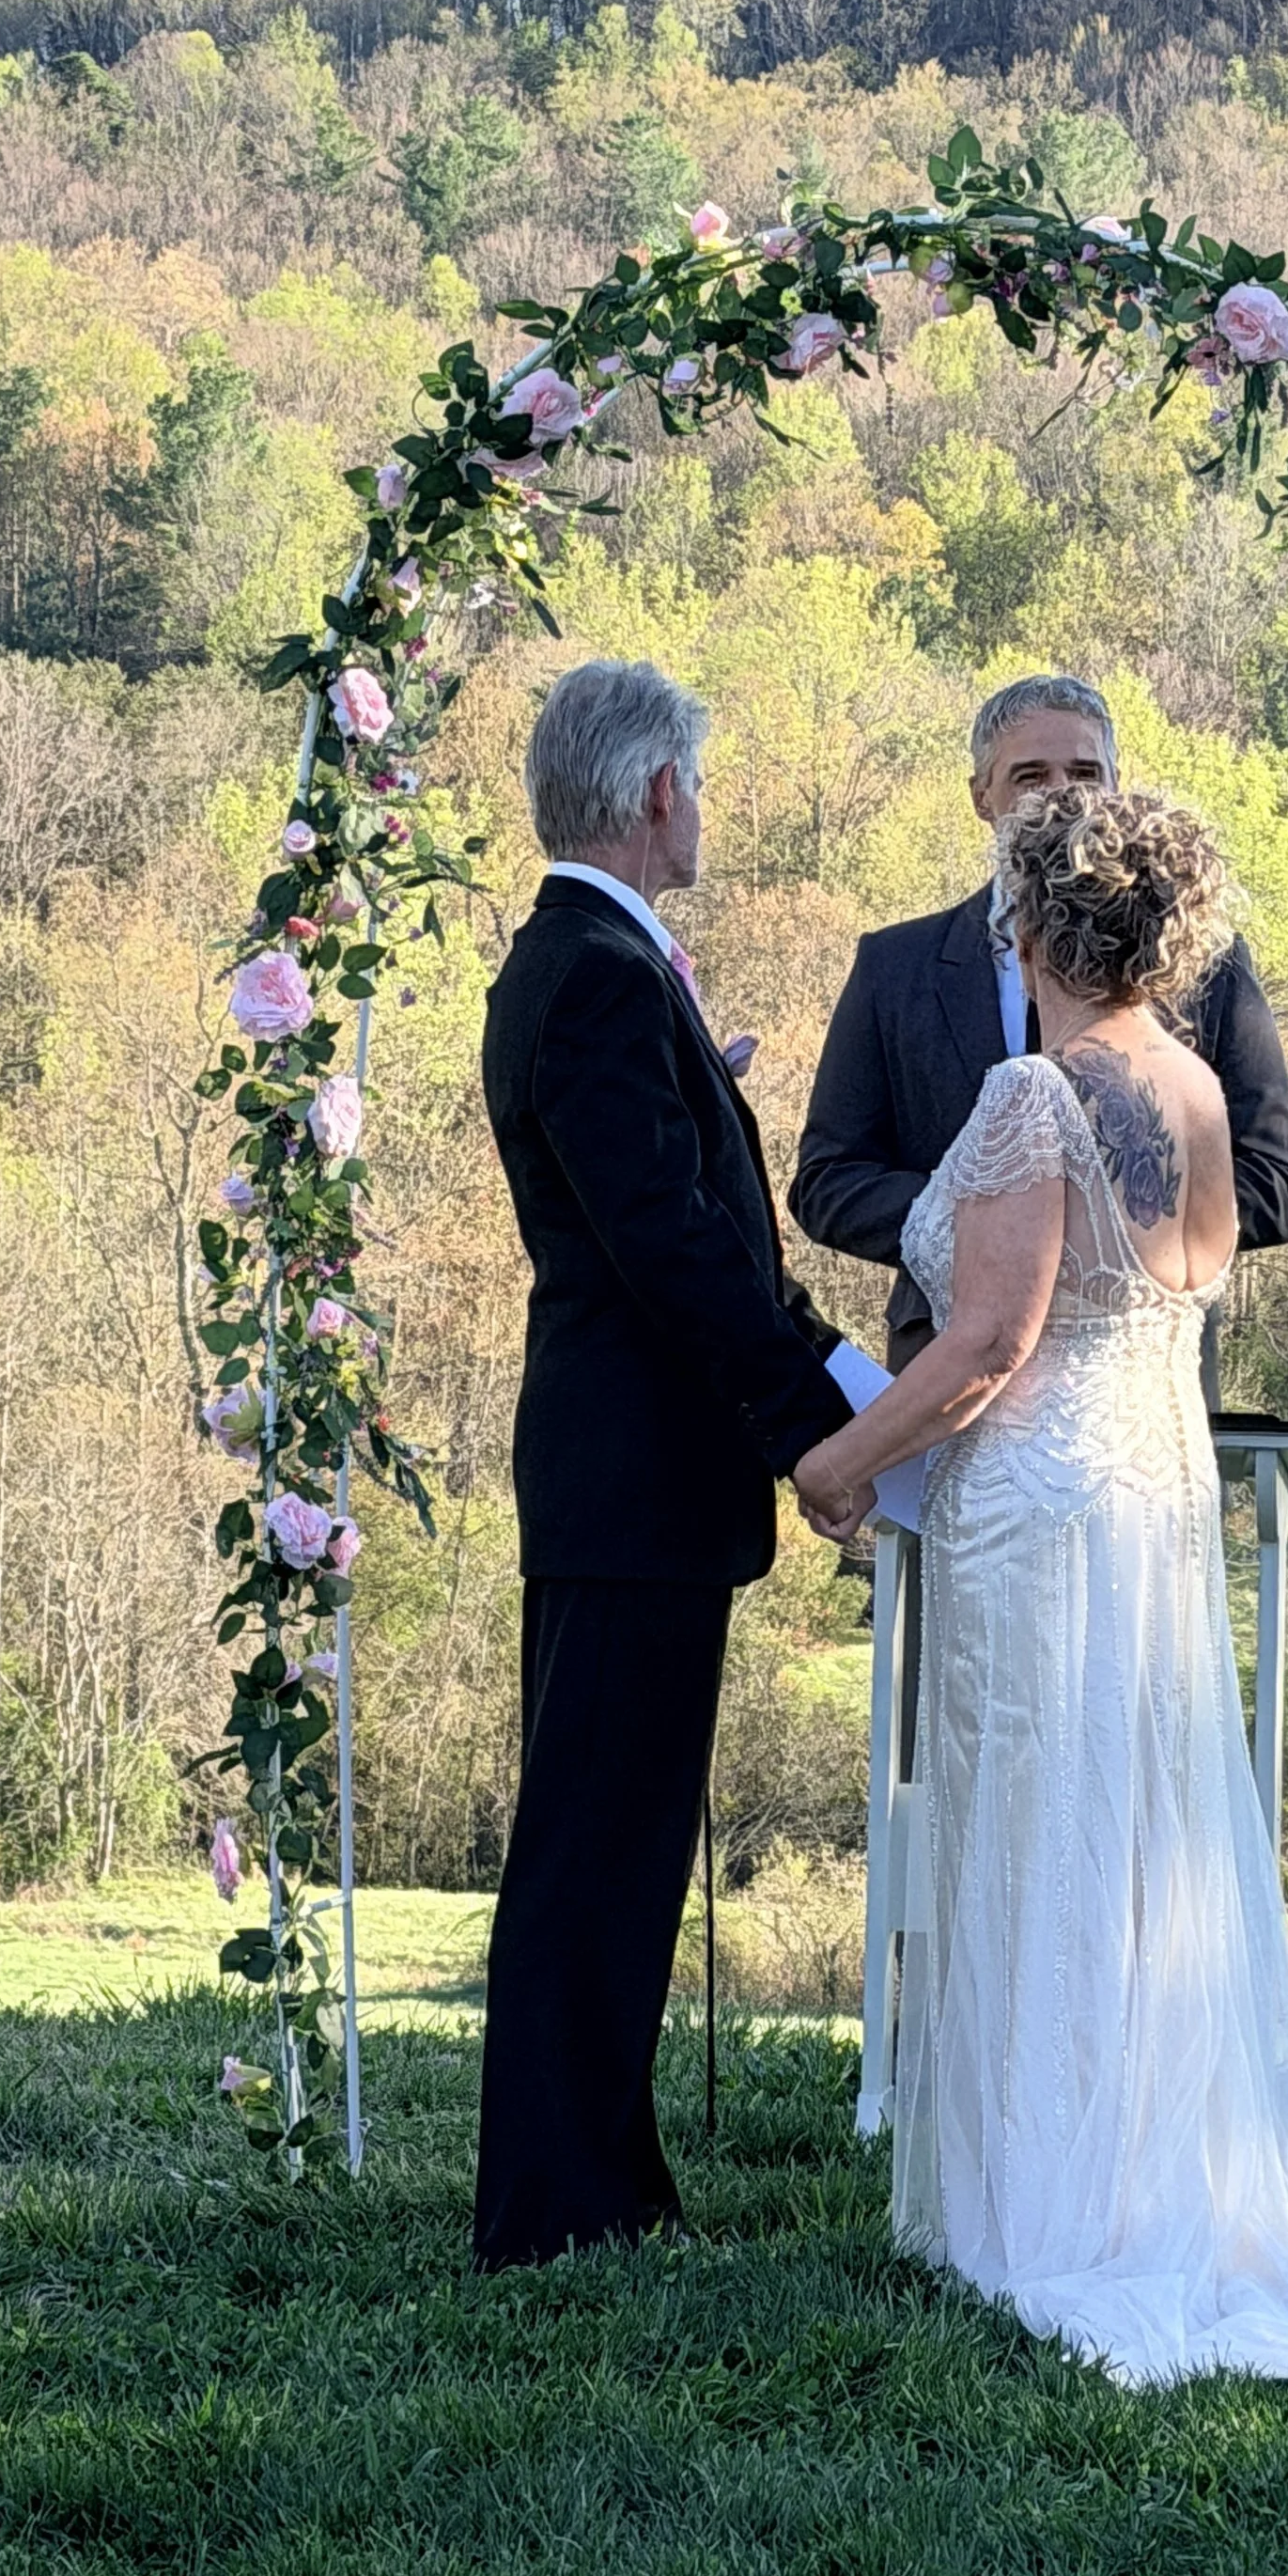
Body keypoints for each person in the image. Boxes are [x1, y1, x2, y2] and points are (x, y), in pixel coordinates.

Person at [789, 787, 1288, 2384]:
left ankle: (1043, 2208)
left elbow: (988, 1345)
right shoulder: (1190, 1089)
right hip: (1154, 1502)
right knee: (1134, 1847)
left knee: (1040, 1835)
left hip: (1038, 1513)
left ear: (1034, 923)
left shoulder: (1030, 1099)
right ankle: (1128, 2169)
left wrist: (839, 1466)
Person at [473, 658, 855, 2268]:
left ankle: (595, 2184)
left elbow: (668, 1196)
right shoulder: (603, 975)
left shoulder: (583, 965)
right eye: (696, 780)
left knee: (615, 1840)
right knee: (599, 1847)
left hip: (618, 1477)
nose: (703, 804)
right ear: (653, 794)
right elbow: (670, 1247)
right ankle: (562, 2209)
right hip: (634, 1477)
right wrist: (820, 1419)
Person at [789, 674, 1288, 1389]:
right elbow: (827, 1181)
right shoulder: (894, 967)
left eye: (1085, 772)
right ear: (982, 795)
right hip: (947, 1365)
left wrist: (1130, 1226)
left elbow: (1278, 1178)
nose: (1063, 794)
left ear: (1117, 783)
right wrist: (987, 1222)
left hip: (1141, 1376)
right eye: (1031, 775)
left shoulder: (1207, 963)